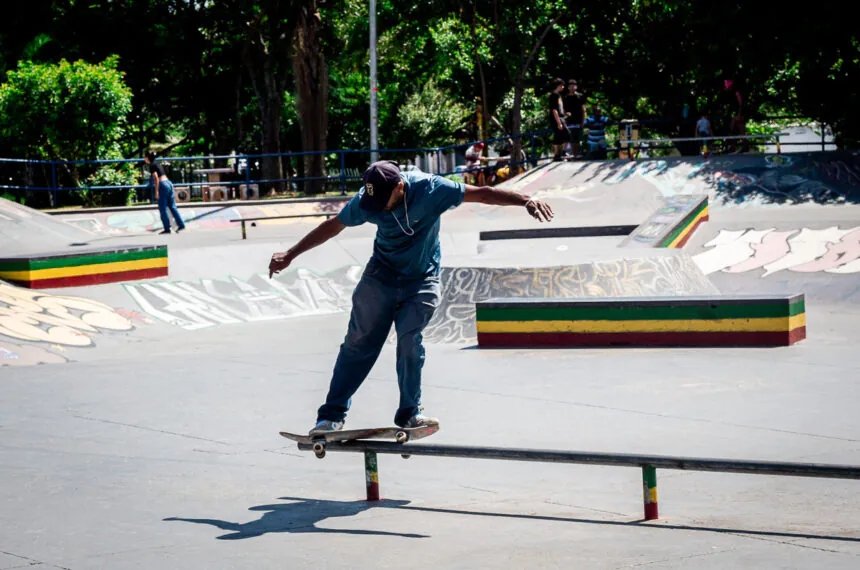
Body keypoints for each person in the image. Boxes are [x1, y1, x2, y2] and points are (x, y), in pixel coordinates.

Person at [268, 160, 554, 434]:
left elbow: (483, 194)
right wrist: (291, 254)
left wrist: (525, 199)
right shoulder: (366, 201)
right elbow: (333, 226)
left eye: (384, 202)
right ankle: (331, 416)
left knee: (409, 339)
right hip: (380, 276)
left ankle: (409, 413)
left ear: (400, 188)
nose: (378, 210)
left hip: (421, 279)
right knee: (358, 344)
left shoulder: (432, 189)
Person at [144, 151, 185, 234]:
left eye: (145, 157)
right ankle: (181, 224)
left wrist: (156, 192)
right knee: (172, 206)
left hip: (162, 185)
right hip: (169, 183)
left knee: (163, 208)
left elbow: (156, 178)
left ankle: (167, 228)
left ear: (147, 158)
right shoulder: (157, 164)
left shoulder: (152, 165)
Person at [564, 79, 586, 158]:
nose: (572, 87)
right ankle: (574, 155)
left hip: (578, 121)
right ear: (568, 87)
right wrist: (566, 114)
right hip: (569, 121)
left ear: (576, 87)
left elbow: (584, 109)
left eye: (574, 85)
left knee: (577, 139)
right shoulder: (566, 97)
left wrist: (583, 121)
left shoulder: (580, 96)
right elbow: (563, 110)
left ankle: (577, 154)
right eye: (571, 86)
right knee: (572, 138)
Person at [547, 78, 568, 160]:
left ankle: (560, 153)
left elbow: (560, 108)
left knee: (562, 136)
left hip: (561, 117)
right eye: (562, 85)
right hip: (556, 118)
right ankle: (558, 154)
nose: (563, 87)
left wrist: (565, 113)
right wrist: (558, 122)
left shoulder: (559, 95)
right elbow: (554, 110)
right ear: (558, 86)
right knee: (562, 135)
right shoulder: (553, 96)